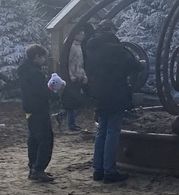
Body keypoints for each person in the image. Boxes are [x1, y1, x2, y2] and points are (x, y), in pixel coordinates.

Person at [86, 20, 142, 184]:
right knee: (112, 131)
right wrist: (140, 65)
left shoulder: (91, 48)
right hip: (115, 93)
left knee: (101, 131)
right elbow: (129, 65)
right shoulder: (115, 49)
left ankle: (98, 169)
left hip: (99, 93)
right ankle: (110, 171)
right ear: (111, 31)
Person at [18, 44, 56, 182]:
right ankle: (39, 169)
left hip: (29, 108)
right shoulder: (36, 73)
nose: (44, 60)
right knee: (45, 138)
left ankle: (33, 167)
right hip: (39, 108)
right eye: (42, 57)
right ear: (36, 57)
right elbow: (42, 92)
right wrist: (56, 93)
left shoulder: (24, 70)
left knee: (33, 138)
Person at [55, 28, 87, 132]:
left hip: (77, 76)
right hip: (72, 78)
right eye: (81, 34)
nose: (83, 36)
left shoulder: (78, 46)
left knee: (75, 102)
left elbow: (79, 63)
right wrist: (70, 76)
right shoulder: (71, 47)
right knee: (73, 102)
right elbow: (67, 62)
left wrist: (83, 75)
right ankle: (70, 123)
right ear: (75, 35)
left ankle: (63, 116)